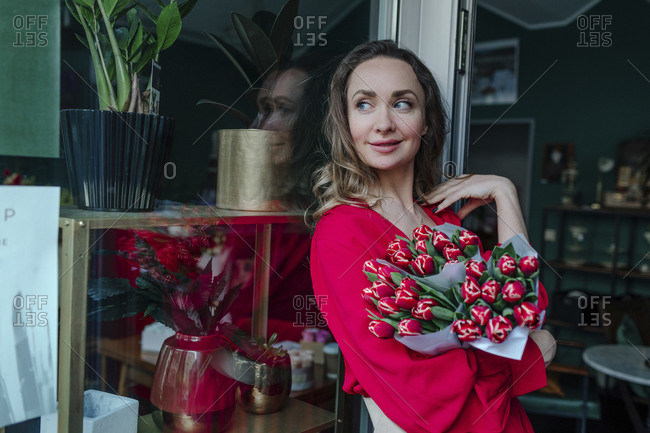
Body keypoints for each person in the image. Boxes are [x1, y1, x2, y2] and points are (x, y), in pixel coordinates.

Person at [310, 40, 556, 433]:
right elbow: (415, 388)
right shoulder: (341, 232)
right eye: (364, 104)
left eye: (402, 103)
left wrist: (504, 193)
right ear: (346, 122)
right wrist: (526, 354)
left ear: (425, 121)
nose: (384, 123)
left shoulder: (439, 217)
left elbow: (520, 304)